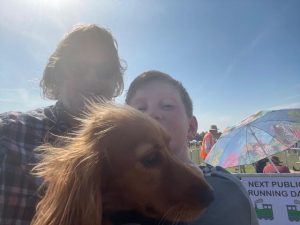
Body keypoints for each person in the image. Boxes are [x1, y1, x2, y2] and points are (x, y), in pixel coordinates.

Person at [0, 24, 125, 225]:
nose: (92, 77)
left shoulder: (127, 146)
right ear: (57, 75)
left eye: (105, 70)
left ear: (115, 81)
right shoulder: (11, 133)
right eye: (78, 68)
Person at [114, 70, 258, 225]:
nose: (151, 114)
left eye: (167, 106)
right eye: (140, 109)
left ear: (191, 127)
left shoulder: (223, 190)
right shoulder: (113, 190)